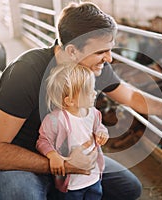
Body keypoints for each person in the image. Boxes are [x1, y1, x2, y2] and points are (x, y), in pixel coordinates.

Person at [0, 2, 162, 200]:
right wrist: (59, 165)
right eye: (102, 52)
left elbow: (129, 95)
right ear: (72, 51)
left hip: (75, 158)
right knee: (19, 194)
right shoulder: (26, 73)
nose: (108, 58)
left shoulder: (92, 68)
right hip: (26, 162)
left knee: (130, 188)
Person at [37, 63, 109, 199]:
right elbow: (43, 140)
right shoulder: (56, 119)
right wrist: (53, 155)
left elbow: (98, 127)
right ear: (70, 101)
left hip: (93, 177)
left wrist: (102, 132)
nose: (95, 93)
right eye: (89, 91)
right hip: (71, 185)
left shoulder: (93, 113)